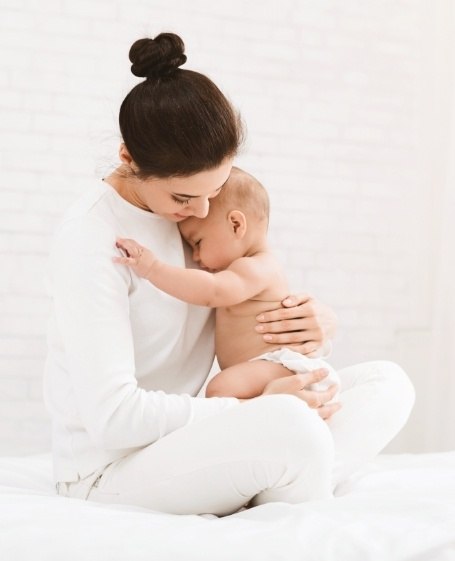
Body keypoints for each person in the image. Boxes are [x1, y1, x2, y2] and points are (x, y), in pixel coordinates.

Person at [43, 32, 415, 517]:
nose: (200, 211)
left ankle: (278, 475)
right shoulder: (92, 238)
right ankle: (287, 475)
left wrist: (314, 324)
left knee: (386, 383)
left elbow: (247, 291)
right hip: (109, 469)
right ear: (129, 158)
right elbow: (114, 419)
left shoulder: (198, 211)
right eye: (182, 198)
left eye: (215, 189)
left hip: (195, 439)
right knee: (290, 425)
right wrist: (251, 411)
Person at [114, 166, 341, 401]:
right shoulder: (250, 267)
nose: (196, 257)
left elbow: (213, 291)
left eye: (198, 243)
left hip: (280, 366)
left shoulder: (256, 267)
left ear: (235, 225)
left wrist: (153, 269)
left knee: (220, 389)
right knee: (223, 392)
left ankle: (276, 404)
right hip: (265, 368)